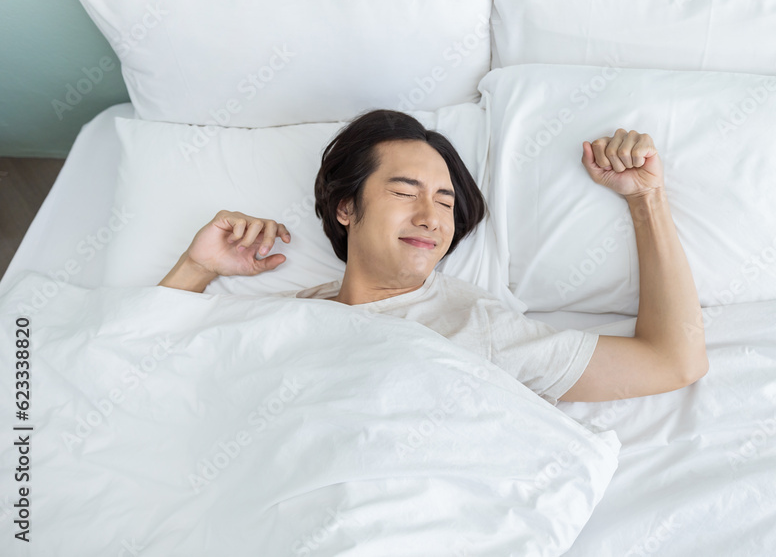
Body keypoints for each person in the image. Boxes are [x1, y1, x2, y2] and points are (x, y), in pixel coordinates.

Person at [158, 109, 707, 403]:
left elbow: (674, 362)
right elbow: (148, 367)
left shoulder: (475, 326)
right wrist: (197, 269)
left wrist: (646, 199)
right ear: (346, 207)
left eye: (445, 200)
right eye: (404, 192)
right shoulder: (292, 313)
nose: (430, 216)